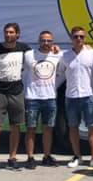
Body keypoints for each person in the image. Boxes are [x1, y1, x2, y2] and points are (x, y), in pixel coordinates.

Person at [0, 22, 31, 174]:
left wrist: (55, 49)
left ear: (17, 34)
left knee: (16, 127)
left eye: (11, 32)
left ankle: (12, 158)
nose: (8, 35)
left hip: (16, 92)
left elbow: (40, 55)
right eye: (6, 32)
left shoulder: (24, 48)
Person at [62, 26, 93, 169]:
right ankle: (77, 156)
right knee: (73, 127)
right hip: (71, 96)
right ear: (71, 38)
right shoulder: (65, 56)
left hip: (89, 95)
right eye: (75, 36)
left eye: (81, 36)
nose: (78, 39)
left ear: (85, 38)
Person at [23, 30, 66, 168]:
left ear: (53, 42)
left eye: (49, 40)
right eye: (43, 40)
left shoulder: (58, 55)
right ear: (38, 41)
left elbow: (62, 71)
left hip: (50, 97)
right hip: (32, 98)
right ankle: (30, 157)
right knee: (31, 129)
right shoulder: (29, 55)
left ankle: (46, 156)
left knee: (48, 129)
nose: (46, 43)